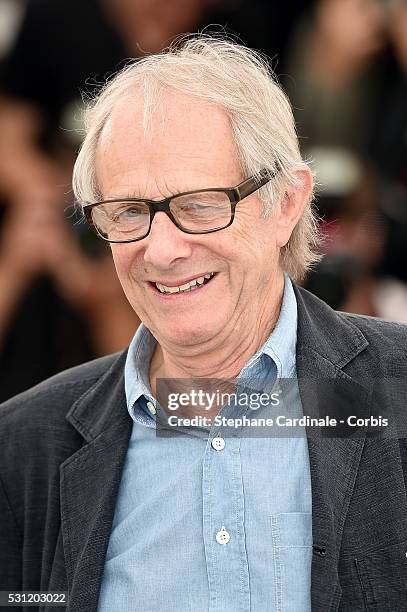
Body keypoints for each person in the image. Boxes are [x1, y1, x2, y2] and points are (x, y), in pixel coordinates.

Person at [1, 35, 407, 612]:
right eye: (129, 212)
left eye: (199, 204)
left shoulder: (394, 389)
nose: (162, 250)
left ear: (286, 204)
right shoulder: (25, 447)